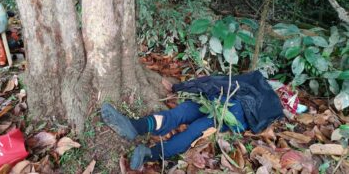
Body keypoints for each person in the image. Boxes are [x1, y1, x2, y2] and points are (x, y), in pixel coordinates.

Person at [101, 70, 284, 170]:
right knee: (192, 133)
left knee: (177, 114)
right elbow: (252, 127)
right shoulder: (267, 111)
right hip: (228, 118)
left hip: (219, 103)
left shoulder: (250, 83)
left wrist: (178, 87)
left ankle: (136, 126)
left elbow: (213, 82)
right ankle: (149, 154)